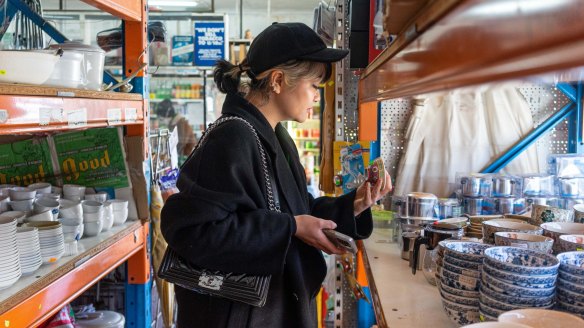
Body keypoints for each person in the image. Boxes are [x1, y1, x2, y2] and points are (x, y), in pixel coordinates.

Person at [161, 22, 392, 327]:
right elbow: (193, 233)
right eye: (314, 86)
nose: (316, 98)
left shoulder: (277, 138)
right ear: (279, 81)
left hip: (272, 310)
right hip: (240, 315)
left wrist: (354, 205)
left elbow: (298, 212)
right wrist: (290, 228)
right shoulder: (232, 139)